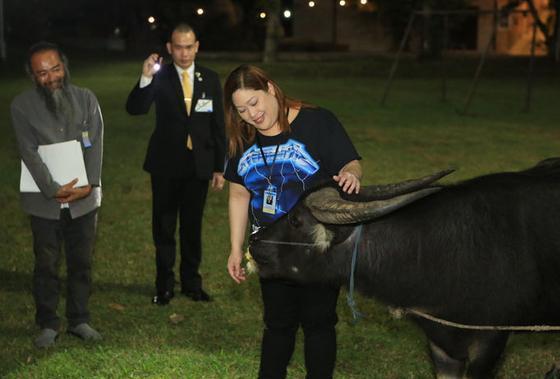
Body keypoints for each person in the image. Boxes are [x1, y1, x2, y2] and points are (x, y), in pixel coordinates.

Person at [224, 64, 362, 379]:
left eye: (255, 103)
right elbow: (238, 195)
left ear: (270, 88)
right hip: (272, 249)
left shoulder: (317, 121)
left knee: (319, 323)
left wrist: (352, 173)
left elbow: (350, 162)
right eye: (241, 109)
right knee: (277, 324)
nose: (251, 115)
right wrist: (235, 248)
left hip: (319, 247)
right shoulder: (243, 137)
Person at [10, 42, 104, 348]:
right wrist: (53, 189)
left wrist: (89, 183)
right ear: (32, 75)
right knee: (46, 264)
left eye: (55, 68)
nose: (51, 77)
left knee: (81, 262)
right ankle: (48, 323)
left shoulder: (86, 99)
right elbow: (28, 152)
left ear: (64, 65)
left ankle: (79, 319)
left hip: (84, 200)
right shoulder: (22, 107)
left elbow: (95, 143)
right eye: (42, 73)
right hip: (44, 202)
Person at [126, 23, 226, 305]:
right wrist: (145, 77)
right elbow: (135, 108)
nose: (184, 53)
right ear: (170, 48)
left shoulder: (209, 78)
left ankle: (192, 283)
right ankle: (164, 285)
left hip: (199, 166)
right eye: (178, 47)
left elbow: (218, 126)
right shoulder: (161, 76)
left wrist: (220, 167)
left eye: (189, 46)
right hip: (166, 165)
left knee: (192, 228)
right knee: (164, 228)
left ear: (197, 47)